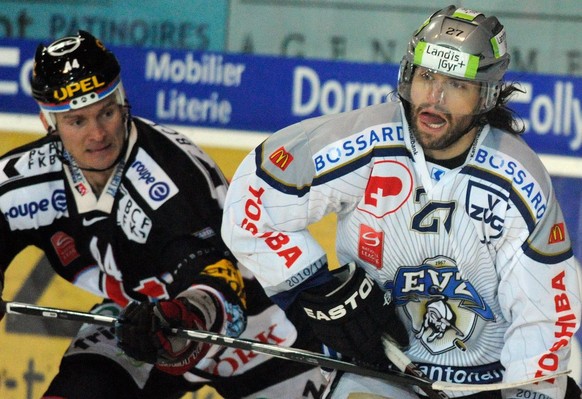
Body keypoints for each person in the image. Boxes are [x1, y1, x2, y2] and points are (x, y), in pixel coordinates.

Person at [221, 5, 582, 399]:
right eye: (426, 77)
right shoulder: (363, 142)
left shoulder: (517, 180)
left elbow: (544, 312)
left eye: (458, 85)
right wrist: (311, 285)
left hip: (488, 382)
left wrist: (527, 390)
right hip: (377, 370)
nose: (435, 99)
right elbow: (253, 197)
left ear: (486, 96)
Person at [0, 30, 328, 399]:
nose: (97, 135)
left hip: (255, 330)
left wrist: (181, 316)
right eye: (77, 122)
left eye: (107, 112)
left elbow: (220, 285)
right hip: (136, 323)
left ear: (122, 99)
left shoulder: (171, 175)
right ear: (48, 122)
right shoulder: (24, 179)